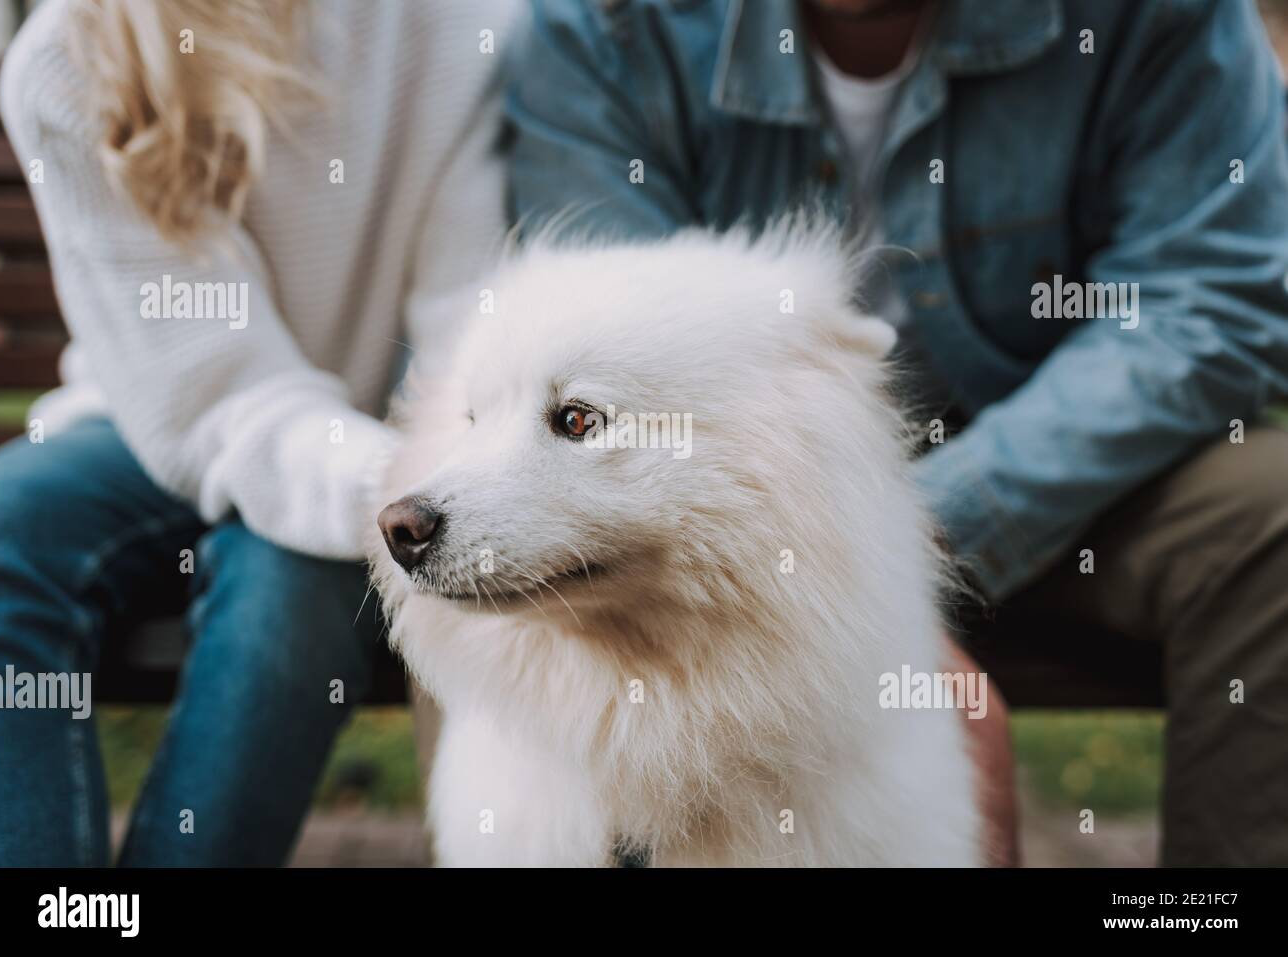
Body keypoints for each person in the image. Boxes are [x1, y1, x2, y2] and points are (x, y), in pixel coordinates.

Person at [504, 0, 1288, 865]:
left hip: (1076, 491)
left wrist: (898, 574)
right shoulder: (604, 27)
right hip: (751, 541)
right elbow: (606, 383)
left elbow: (1207, 292)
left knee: (1273, 512)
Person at [0, 0, 512, 865]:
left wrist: (434, 481)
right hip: (156, 414)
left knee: (291, 597)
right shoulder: (66, 57)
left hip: (380, 440)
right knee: (0, 537)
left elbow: (467, 331)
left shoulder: (462, 23)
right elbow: (216, 394)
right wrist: (394, 486)